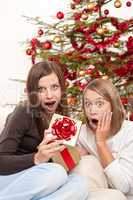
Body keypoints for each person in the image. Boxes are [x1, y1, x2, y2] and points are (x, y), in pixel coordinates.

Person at [0, 61, 88, 200]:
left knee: (80, 183)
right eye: (41, 89)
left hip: (37, 179)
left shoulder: (62, 117)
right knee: (56, 173)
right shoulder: (24, 111)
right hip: (9, 178)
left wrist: (72, 154)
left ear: (62, 88)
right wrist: (36, 158)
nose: (49, 95)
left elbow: (59, 164)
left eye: (54, 87)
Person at [73, 78, 133, 200]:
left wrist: (101, 143)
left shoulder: (129, 132)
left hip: (125, 196)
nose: (92, 111)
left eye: (99, 104)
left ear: (113, 106)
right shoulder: (81, 133)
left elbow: (124, 188)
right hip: (96, 194)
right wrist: (74, 153)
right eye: (88, 104)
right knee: (85, 162)